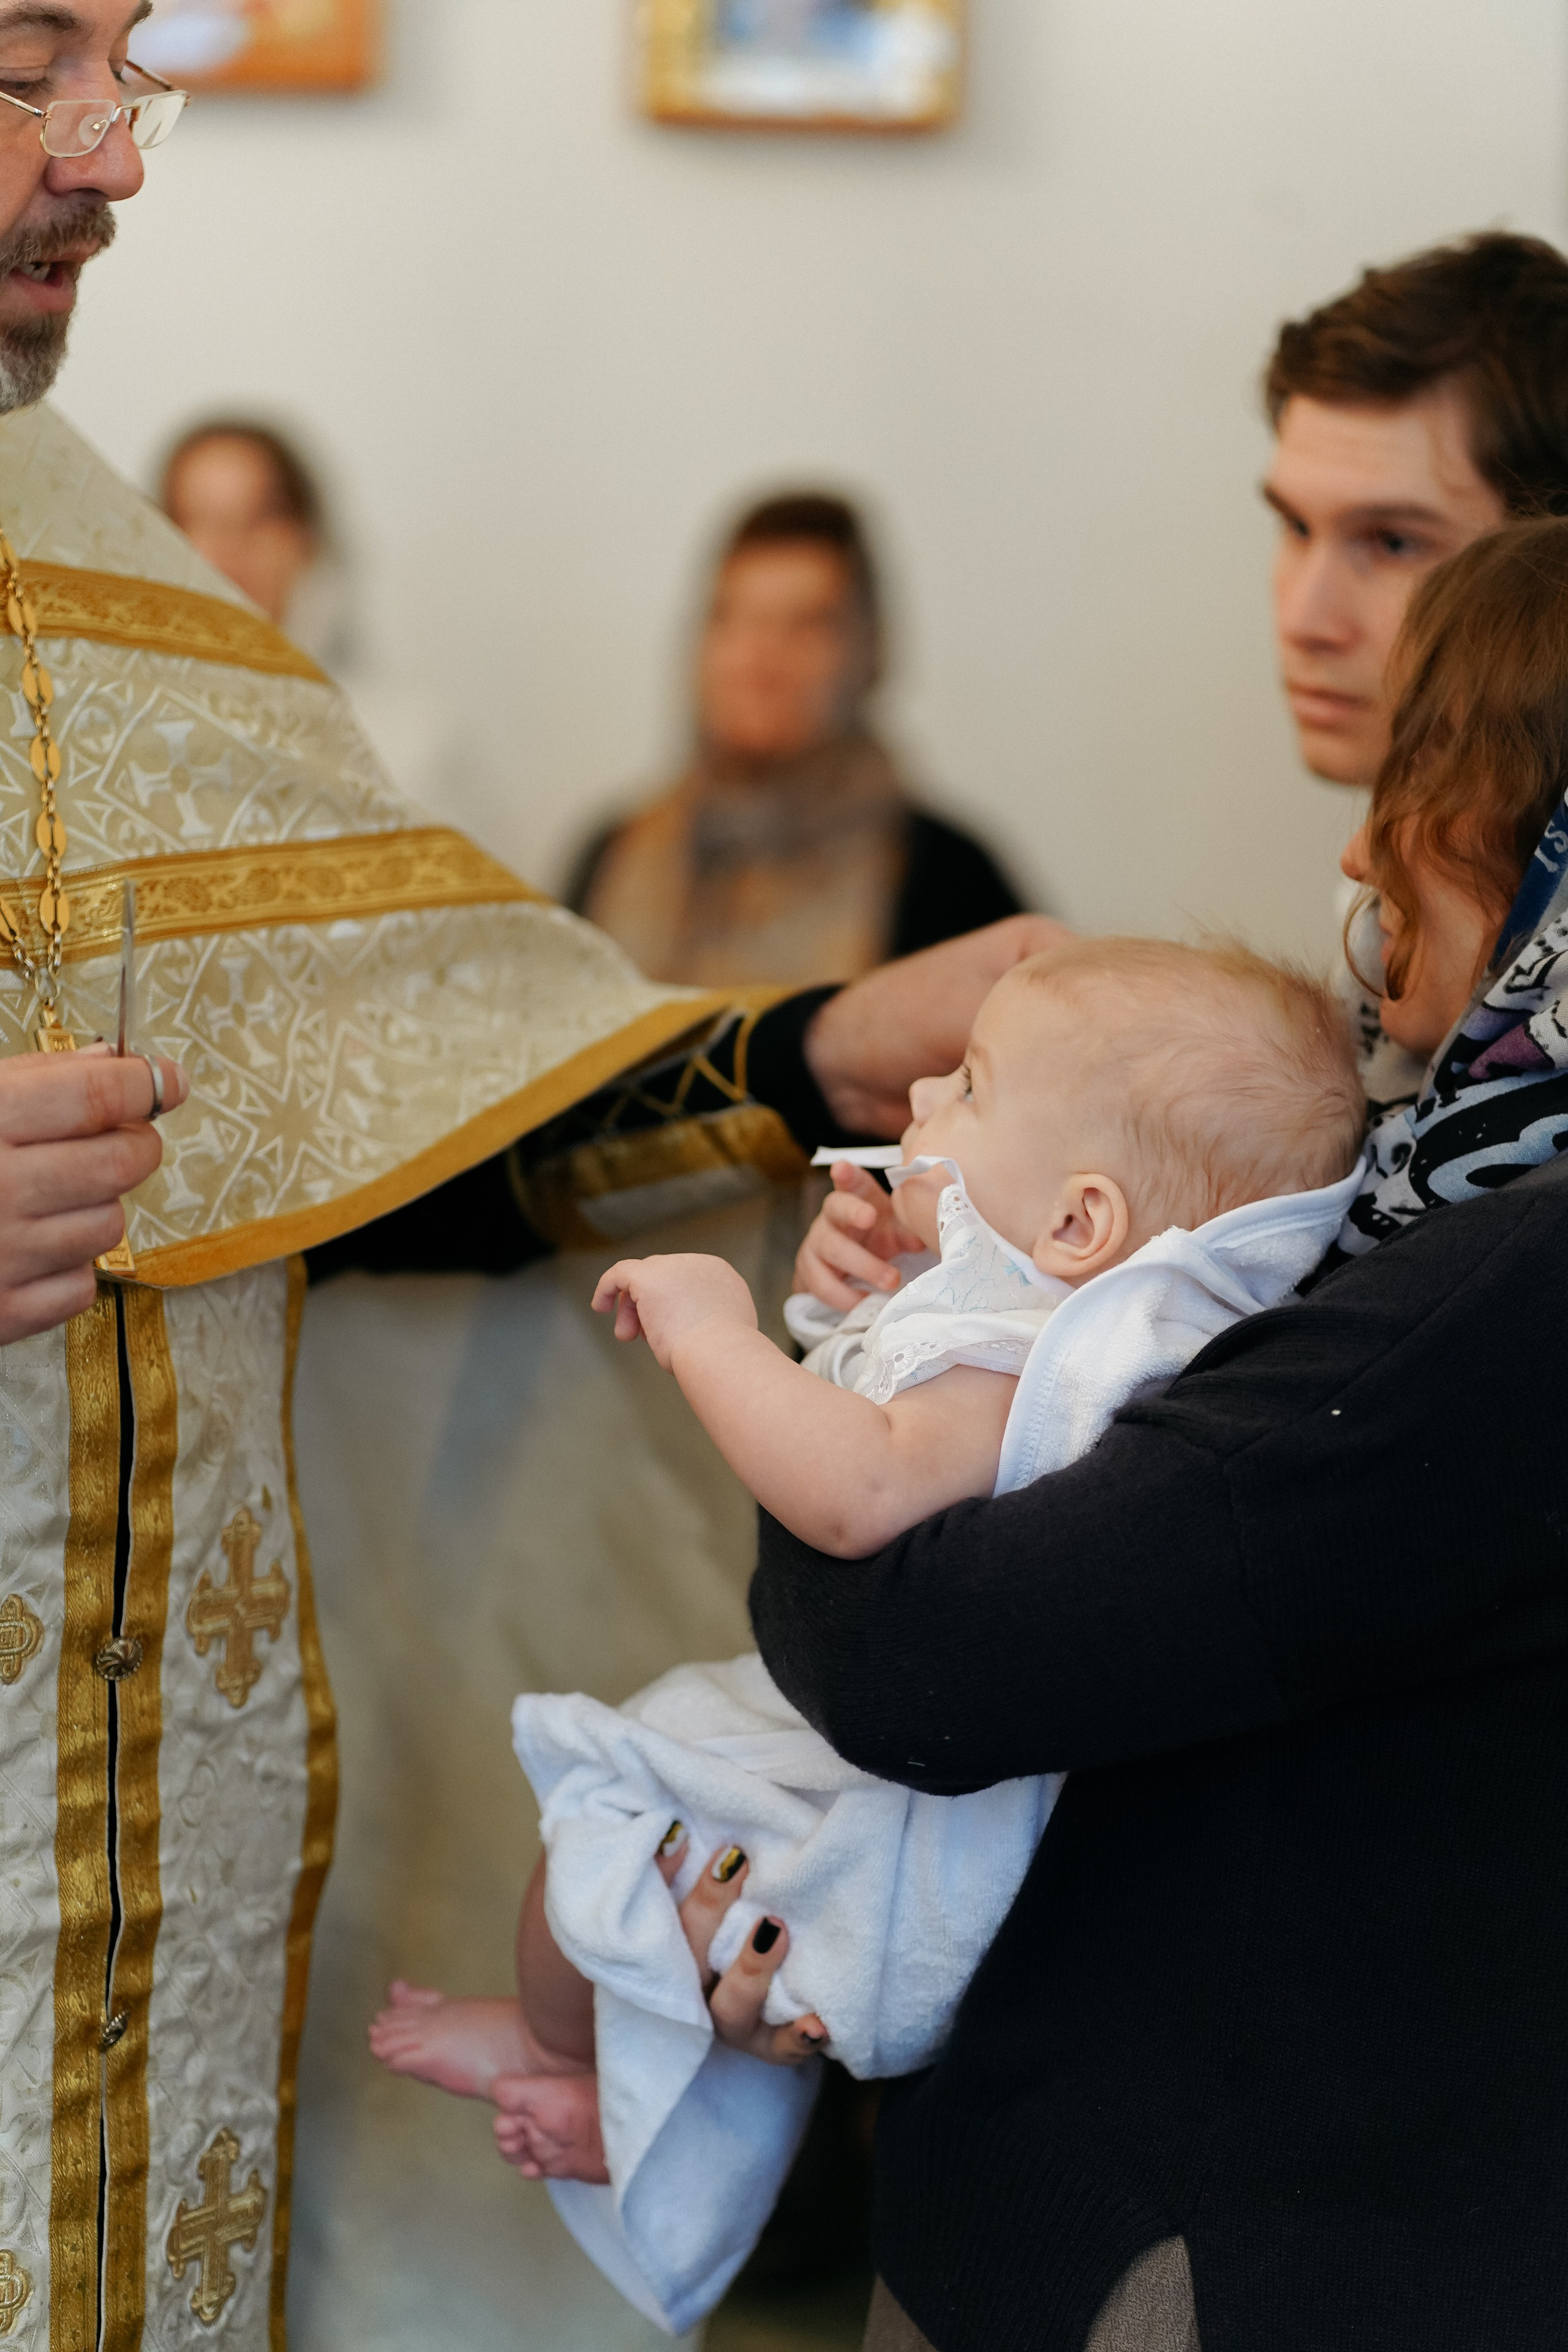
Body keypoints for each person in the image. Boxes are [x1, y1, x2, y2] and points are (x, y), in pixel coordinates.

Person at [0, 17, 1041, 2346]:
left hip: (133, 1943)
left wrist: (804, 1047)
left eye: (122, 60)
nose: (108, 158)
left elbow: (395, 1097)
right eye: (19, 58)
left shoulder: (109, 580)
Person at [369, 935, 1365, 2332]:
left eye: (969, 1085)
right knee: (668, 1842)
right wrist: (868, 1289)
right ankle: (616, 2095)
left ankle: (569, 2057)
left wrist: (719, 1333)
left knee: (607, 1805)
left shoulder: (1013, 1353)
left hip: (901, 1819)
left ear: (1078, 1224)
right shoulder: (1064, 1327)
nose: (921, 1098)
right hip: (909, 1803)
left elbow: (860, 1491)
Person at [569, 491, 1026, 987]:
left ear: (871, 651)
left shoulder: (948, 879)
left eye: (806, 625)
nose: (759, 660)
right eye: (734, 619)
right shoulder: (612, 853)